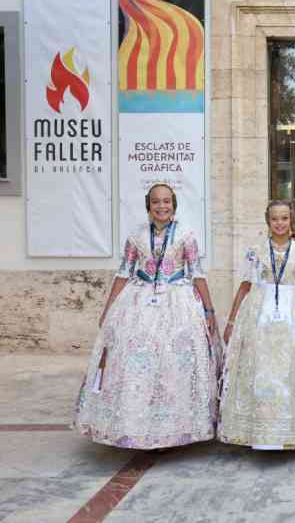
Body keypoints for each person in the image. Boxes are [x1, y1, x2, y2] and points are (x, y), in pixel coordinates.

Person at [74, 183, 220, 449]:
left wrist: (209, 310)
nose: (161, 206)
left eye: (166, 201)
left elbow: (197, 273)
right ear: (148, 206)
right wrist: (108, 310)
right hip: (139, 302)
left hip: (178, 302)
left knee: (175, 362)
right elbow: (123, 273)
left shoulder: (186, 236)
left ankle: (173, 428)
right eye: (156, 202)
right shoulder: (136, 237)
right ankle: (135, 425)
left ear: (173, 205)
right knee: (135, 360)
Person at [218, 200, 295, 449]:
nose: (280, 223)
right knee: (262, 368)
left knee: (292, 369)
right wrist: (232, 321)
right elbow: (245, 285)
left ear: (291, 220)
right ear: (267, 222)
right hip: (261, 313)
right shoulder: (257, 249)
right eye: (274, 219)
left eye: (284, 218)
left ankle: (293, 433)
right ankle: (262, 431)